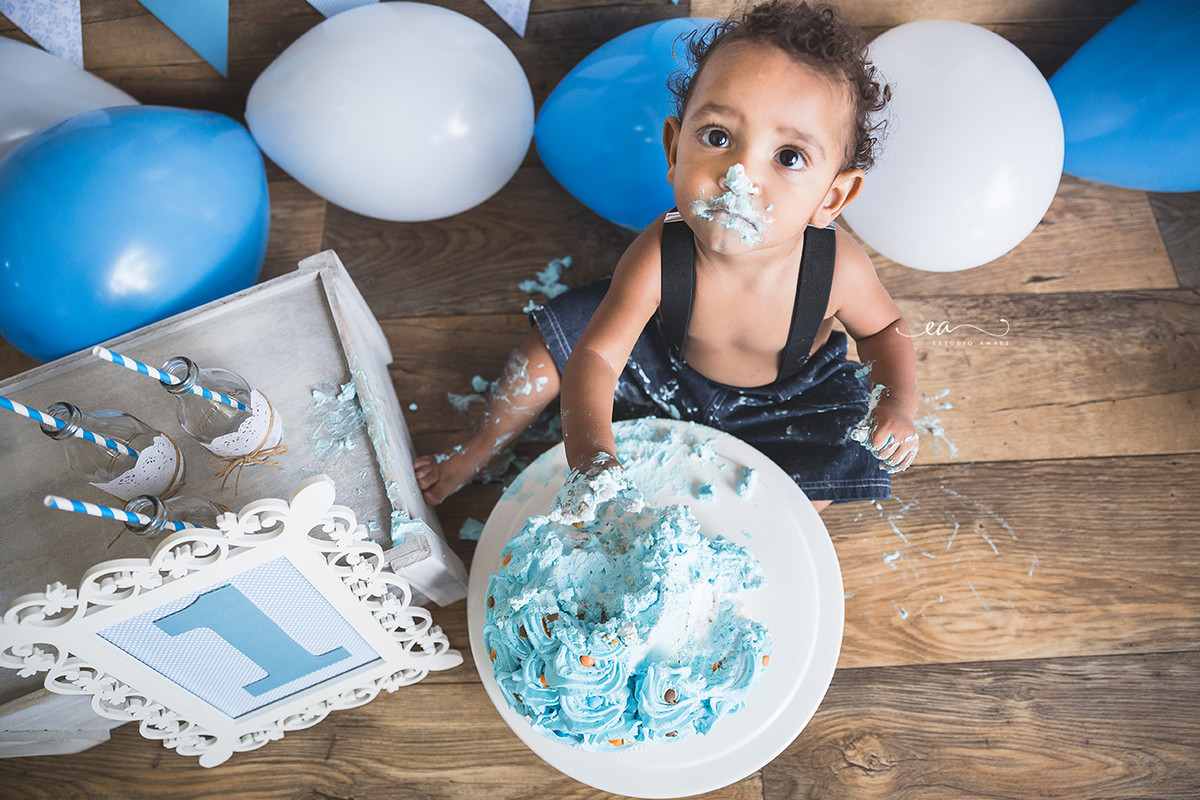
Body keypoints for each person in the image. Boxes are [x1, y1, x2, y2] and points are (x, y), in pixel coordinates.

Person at [415, 0, 917, 515]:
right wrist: (591, 455)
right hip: (663, 364)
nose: (741, 174)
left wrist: (896, 402)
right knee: (549, 348)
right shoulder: (661, 250)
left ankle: (748, 523)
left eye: (788, 157)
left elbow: (885, 330)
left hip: (786, 400)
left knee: (834, 463)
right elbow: (599, 357)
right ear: (675, 152)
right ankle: (481, 449)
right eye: (718, 137)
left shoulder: (837, 268)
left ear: (832, 197)